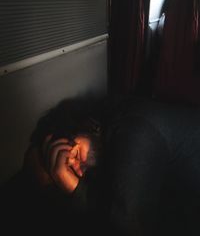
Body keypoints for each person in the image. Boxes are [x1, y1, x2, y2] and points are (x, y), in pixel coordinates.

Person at [1, 95, 200, 235]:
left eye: (69, 152)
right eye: (60, 174)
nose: (74, 167)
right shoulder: (109, 157)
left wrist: (72, 187)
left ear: (86, 125)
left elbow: (128, 227)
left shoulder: (134, 129)